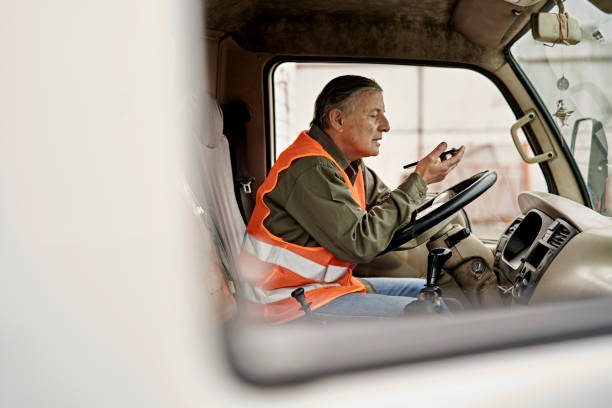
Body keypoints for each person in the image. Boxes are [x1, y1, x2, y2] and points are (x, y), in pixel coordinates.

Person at [238, 75, 464, 324]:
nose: (386, 125)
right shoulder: (311, 169)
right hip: (284, 304)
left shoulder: (350, 166)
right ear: (338, 120)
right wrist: (419, 180)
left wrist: (422, 186)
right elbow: (362, 243)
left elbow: (388, 206)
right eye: (374, 115)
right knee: (428, 315)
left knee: (428, 294)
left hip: (324, 288)